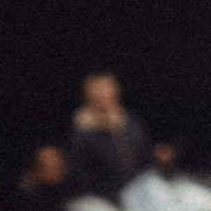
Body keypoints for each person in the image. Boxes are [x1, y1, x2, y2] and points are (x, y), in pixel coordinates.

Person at [66, 71, 153, 201]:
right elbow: (80, 177)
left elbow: (147, 159)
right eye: (97, 89)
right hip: (104, 198)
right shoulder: (82, 134)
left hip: (142, 190)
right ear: (88, 95)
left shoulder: (131, 123)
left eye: (106, 88)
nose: (103, 94)